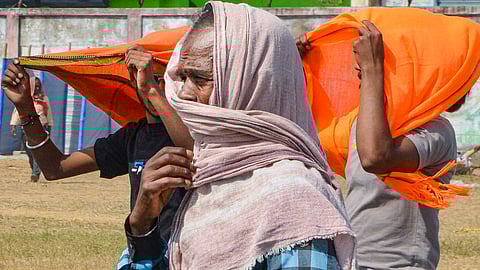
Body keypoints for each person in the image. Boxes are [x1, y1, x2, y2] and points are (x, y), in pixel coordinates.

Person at [124, 2, 356, 270]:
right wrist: (142, 225)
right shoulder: (204, 177)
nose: (184, 94)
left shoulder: (294, 200)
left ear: (254, 82)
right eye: (183, 77)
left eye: (200, 79)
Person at [1, 45, 193, 268]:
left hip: (188, 256)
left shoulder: (196, 131)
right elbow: (55, 168)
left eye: (164, 79)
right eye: (149, 76)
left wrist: (152, 89)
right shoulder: (132, 137)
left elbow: (196, 152)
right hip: (144, 255)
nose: (156, 84)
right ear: (133, 80)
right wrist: (25, 108)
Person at [297, 20, 467, 269]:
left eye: (367, 68)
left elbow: (376, 157)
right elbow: (305, 134)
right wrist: (296, 68)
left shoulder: (436, 129)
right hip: (353, 262)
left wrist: (372, 69)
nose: (359, 72)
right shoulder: (360, 122)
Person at [10, 77, 53, 182]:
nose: (37, 88)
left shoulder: (44, 99)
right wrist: (14, 125)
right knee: (30, 152)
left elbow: (49, 113)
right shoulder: (24, 98)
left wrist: (50, 125)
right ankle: (34, 170)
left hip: (41, 128)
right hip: (27, 129)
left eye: (39, 86)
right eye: (35, 86)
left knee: (38, 152)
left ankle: (35, 174)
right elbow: (17, 112)